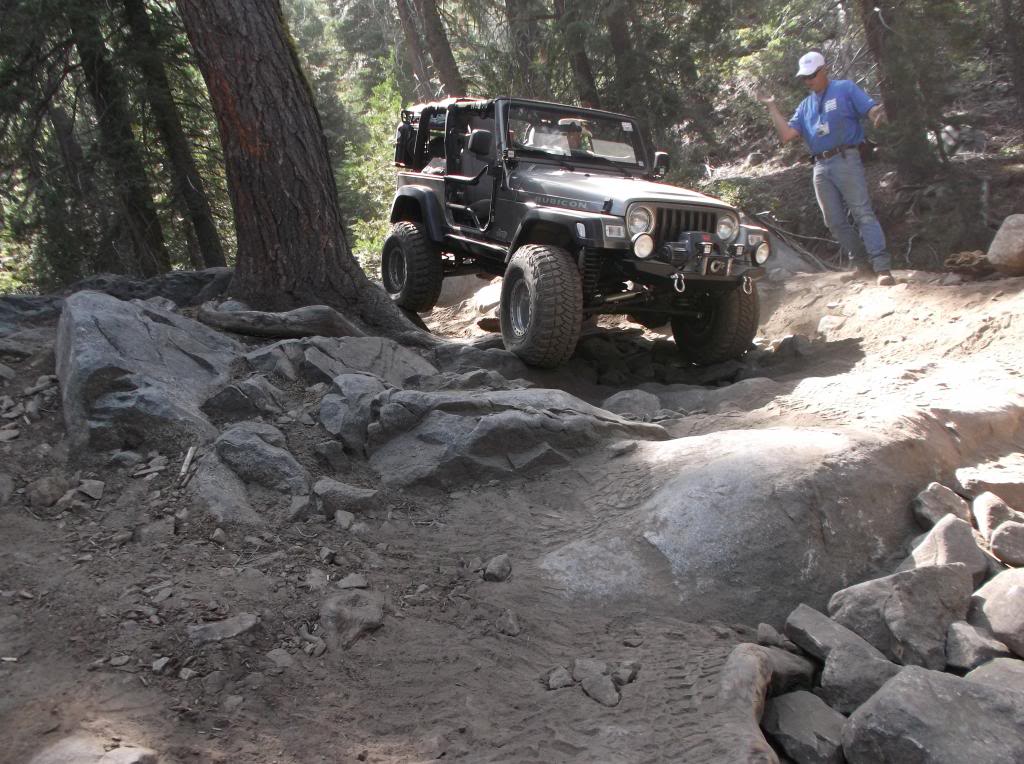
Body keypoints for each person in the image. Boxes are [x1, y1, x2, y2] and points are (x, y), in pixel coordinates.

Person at [757, 51, 893, 286]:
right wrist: (771, 106)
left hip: (846, 157)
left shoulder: (845, 89)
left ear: (824, 70)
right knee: (833, 220)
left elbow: (870, 110)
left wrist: (877, 113)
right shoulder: (805, 106)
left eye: (812, 75)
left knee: (862, 212)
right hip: (820, 164)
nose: (808, 80)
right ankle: (861, 265)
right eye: (804, 77)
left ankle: (882, 267)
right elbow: (787, 135)